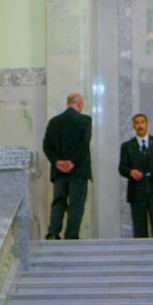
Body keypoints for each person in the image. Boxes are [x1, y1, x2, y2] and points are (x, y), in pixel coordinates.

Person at [42, 92, 92, 240]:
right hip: (78, 171)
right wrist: (72, 162)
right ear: (80, 104)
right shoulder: (85, 120)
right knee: (76, 203)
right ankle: (71, 236)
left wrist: (56, 161)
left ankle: (53, 232)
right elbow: (84, 144)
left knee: (58, 201)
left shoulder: (54, 121)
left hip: (59, 172)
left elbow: (46, 145)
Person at [119, 113, 153, 238]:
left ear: (147, 125)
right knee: (139, 227)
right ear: (133, 126)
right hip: (137, 191)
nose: (140, 125)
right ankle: (141, 255)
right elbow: (122, 167)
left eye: (142, 122)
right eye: (137, 123)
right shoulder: (127, 146)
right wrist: (130, 172)